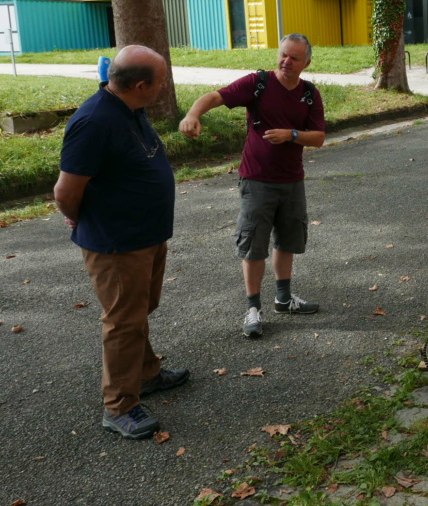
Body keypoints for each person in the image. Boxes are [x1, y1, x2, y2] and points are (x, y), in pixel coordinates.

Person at [54, 45, 188, 440]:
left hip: (144, 233)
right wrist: (82, 217)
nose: (165, 88)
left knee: (141, 308)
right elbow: (65, 191)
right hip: (116, 242)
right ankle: (119, 406)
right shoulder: (94, 122)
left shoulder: (129, 108)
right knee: (123, 321)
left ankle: (146, 374)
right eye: (162, 81)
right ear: (142, 85)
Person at [179, 33, 326, 337]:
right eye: (283, 55)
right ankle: (252, 309)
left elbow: (319, 138)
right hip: (256, 179)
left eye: (294, 58)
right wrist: (193, 114)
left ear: (306, 63)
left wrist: (292, 135)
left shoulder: (310, 94)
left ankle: (283, 299)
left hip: (292, 179)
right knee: (253, 245)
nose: (286, 61)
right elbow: (215, 97)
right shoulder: (258, 83)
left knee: (288, 240)